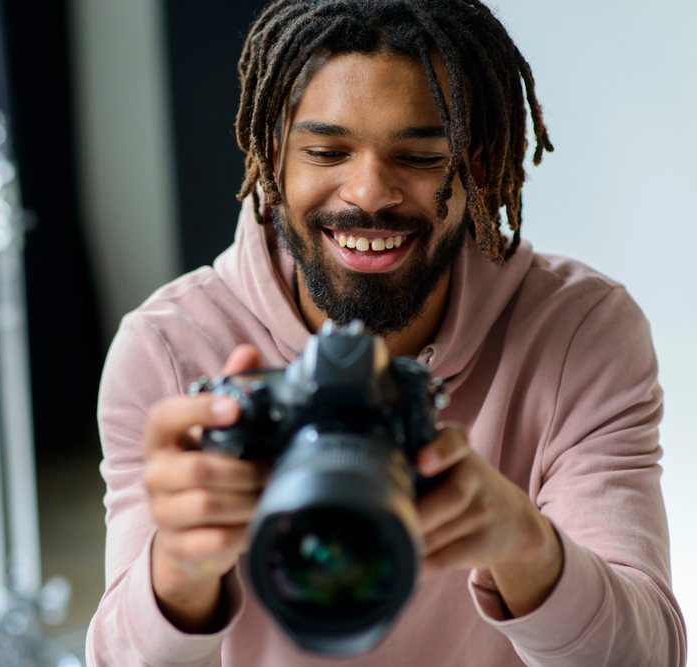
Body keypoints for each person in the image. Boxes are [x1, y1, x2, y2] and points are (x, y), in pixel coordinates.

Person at [85, 0, 687, 664]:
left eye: (420, 156)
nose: (368, 191)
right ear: (270, 155)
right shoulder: (169, 352)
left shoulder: (583, 334)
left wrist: (525, 544)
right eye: (326, 150)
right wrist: (178, 570)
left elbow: (647, 654)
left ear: (479, 165)